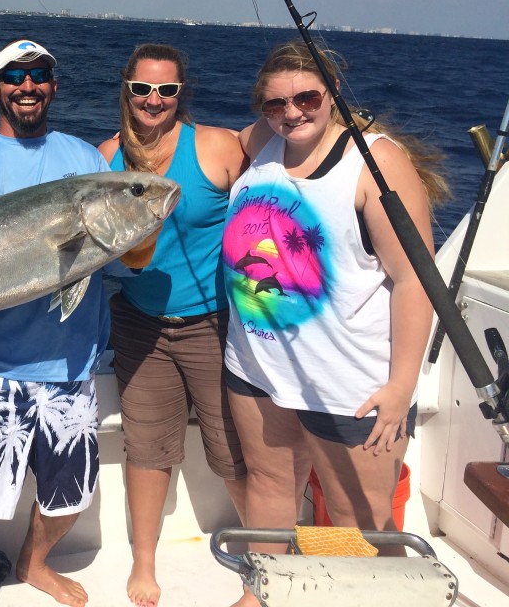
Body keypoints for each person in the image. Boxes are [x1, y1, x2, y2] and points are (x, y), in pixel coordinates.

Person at [221, 40, 448, 606]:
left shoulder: (375, 160)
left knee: (359, 524)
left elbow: (415, 279)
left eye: (307, 97)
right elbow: (204, 145)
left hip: (351, 383)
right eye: (276, 104)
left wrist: (401, 387)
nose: (292, 112)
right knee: (271, 488)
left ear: (334, 93)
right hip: (256, 366)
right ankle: (266, 590)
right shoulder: (263, 143)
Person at [0, 39, 113, 607]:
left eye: (38, 76)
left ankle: (33, 563)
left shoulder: (86, 160)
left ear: (53, 87)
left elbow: (105, 246)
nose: (27, 85)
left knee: (70, 497)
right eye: (14, 76)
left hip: (70, 362)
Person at [96, 43, 248, 607]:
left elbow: (276, 204)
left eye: (166, 90)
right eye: (142, 89)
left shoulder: (216, 146)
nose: (153, 100)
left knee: (232, 448)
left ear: (182, 94)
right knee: (146, 446)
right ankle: (143, 562)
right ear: (126, 89)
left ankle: (268, 561)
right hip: (138, 325)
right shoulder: (107, 156)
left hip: (214, 325)